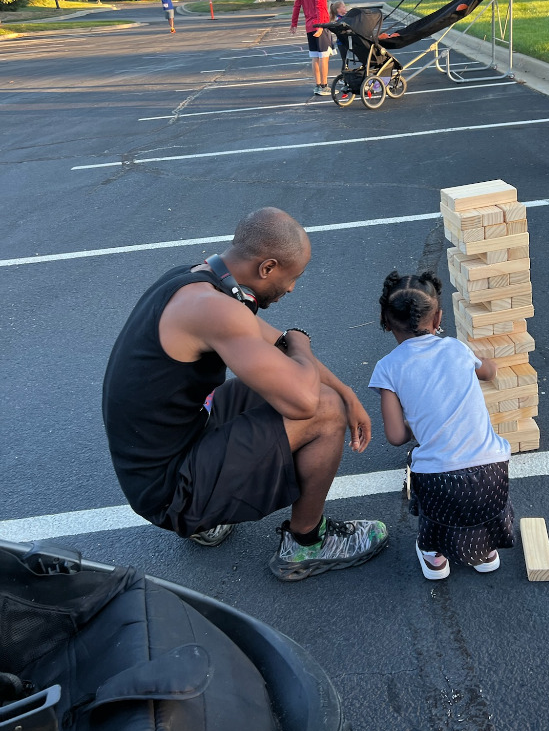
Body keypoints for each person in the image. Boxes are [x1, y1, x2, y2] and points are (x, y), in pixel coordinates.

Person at [102, 207, 388, 581]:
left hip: (167, 445)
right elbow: (302, 395)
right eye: (292, 277)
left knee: (310, 390)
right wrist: (300, 338)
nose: (291, 288)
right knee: (324, 409)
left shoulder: (196, 280)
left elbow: (277, 346)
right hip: (168, 489)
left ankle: (211, 516)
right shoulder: (218, 311)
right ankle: (306, 544)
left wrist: (347, 390)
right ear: (267, 267)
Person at [368, 271, 514, 581]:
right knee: (481, 505)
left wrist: (415, 423)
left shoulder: (387, 368)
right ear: (438, 319)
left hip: (440, 482)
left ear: (384, 319)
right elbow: (487, 372)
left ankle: (435, 559)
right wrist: (488, 362)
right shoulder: (457, 348)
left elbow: (396, 436)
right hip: (493, 472)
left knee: (435, 504)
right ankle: (485, 552)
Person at [291, 0, 333, 97]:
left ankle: (317, 85)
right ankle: (324, 85)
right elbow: (320, 5)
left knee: (315, 56)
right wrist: (321, 26)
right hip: (319, 24)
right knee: (324, 56)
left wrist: (294, 23)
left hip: (309, 25)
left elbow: (297, 4)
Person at [329, 0, 348, 70]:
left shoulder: (344, 17)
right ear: (338, 10)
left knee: (346, 60)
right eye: (343, 7)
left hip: (347, 42)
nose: (345, 8)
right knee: (345, 60)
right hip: (342, 43)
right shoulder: (339, 20)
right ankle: (343, 76)